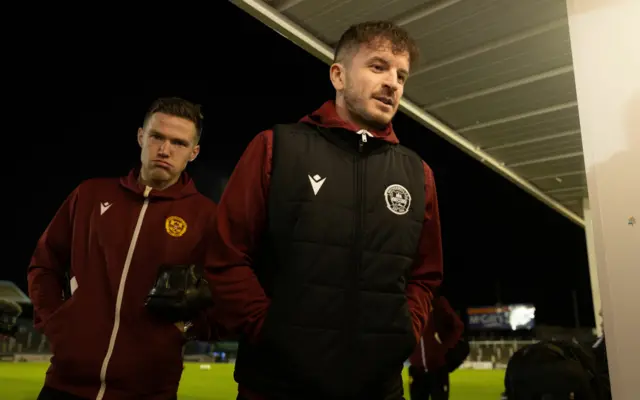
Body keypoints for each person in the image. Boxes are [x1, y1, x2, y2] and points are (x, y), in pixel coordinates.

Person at [204, 20, 444, 400]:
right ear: (338, 75)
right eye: (378, 66)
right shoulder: (275, 148)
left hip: (379, 389)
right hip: (276, 386)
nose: (393, 83)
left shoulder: (418, 174)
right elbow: (226, 256)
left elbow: (425, 275)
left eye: (401, 75)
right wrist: (269, 329)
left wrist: (404, 330)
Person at [28, 97, 219, 400]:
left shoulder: (208, 218)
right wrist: (55, 322)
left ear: (193, 153)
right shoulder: (90, 195)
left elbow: (222, 292)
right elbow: (44, 264)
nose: (165, 150)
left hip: (150, 389)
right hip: (66, 384)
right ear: (141, 136)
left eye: (178, 143)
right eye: (157, 137)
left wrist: (189, 329)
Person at [408, 296, 467, 400]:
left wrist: (445, 347)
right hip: (416, 371)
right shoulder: (406, 305)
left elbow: (458, 326)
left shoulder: (437, 302)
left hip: (438, 370)